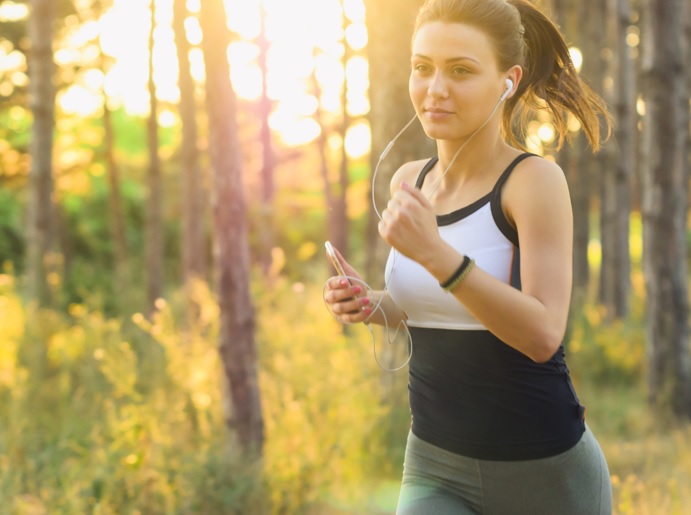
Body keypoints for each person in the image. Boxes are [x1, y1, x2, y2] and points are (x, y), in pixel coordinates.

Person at [324, 0, 613, 513]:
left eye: (460, 70)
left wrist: (437, 255)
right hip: (435, 463)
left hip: (543, 470)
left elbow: (543, 334)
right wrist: (372, 303)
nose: (435, 89)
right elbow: (433, 306)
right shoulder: (408, 180)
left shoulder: (532, 182)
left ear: (508, 80)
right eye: (422, 68)